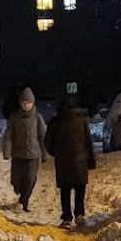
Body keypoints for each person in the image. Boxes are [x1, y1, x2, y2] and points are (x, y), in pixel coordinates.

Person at [44, 95, 95, 228]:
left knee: (65, 190)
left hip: (63, 162)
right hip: (80, 160)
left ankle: (67, 217)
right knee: (80, 189)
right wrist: (91, 159)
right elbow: (88, 141)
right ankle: (79, 214)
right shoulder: (82, 121)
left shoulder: (55, 122)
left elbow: (48, 142)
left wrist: (56, 153)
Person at [2, 86, 47, 212]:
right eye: (24, 103)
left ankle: (23, 202)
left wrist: (44, 153)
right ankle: (21, 195)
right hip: (18, 154)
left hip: (33, 155)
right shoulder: (14, 117)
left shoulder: (37, 118)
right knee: (16, 180)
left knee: (30, 179)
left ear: (33, 103)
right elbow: (9, 135)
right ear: (21, 103)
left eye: (29, 103)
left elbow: (42, 136)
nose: (26, 105)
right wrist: (7, 151)